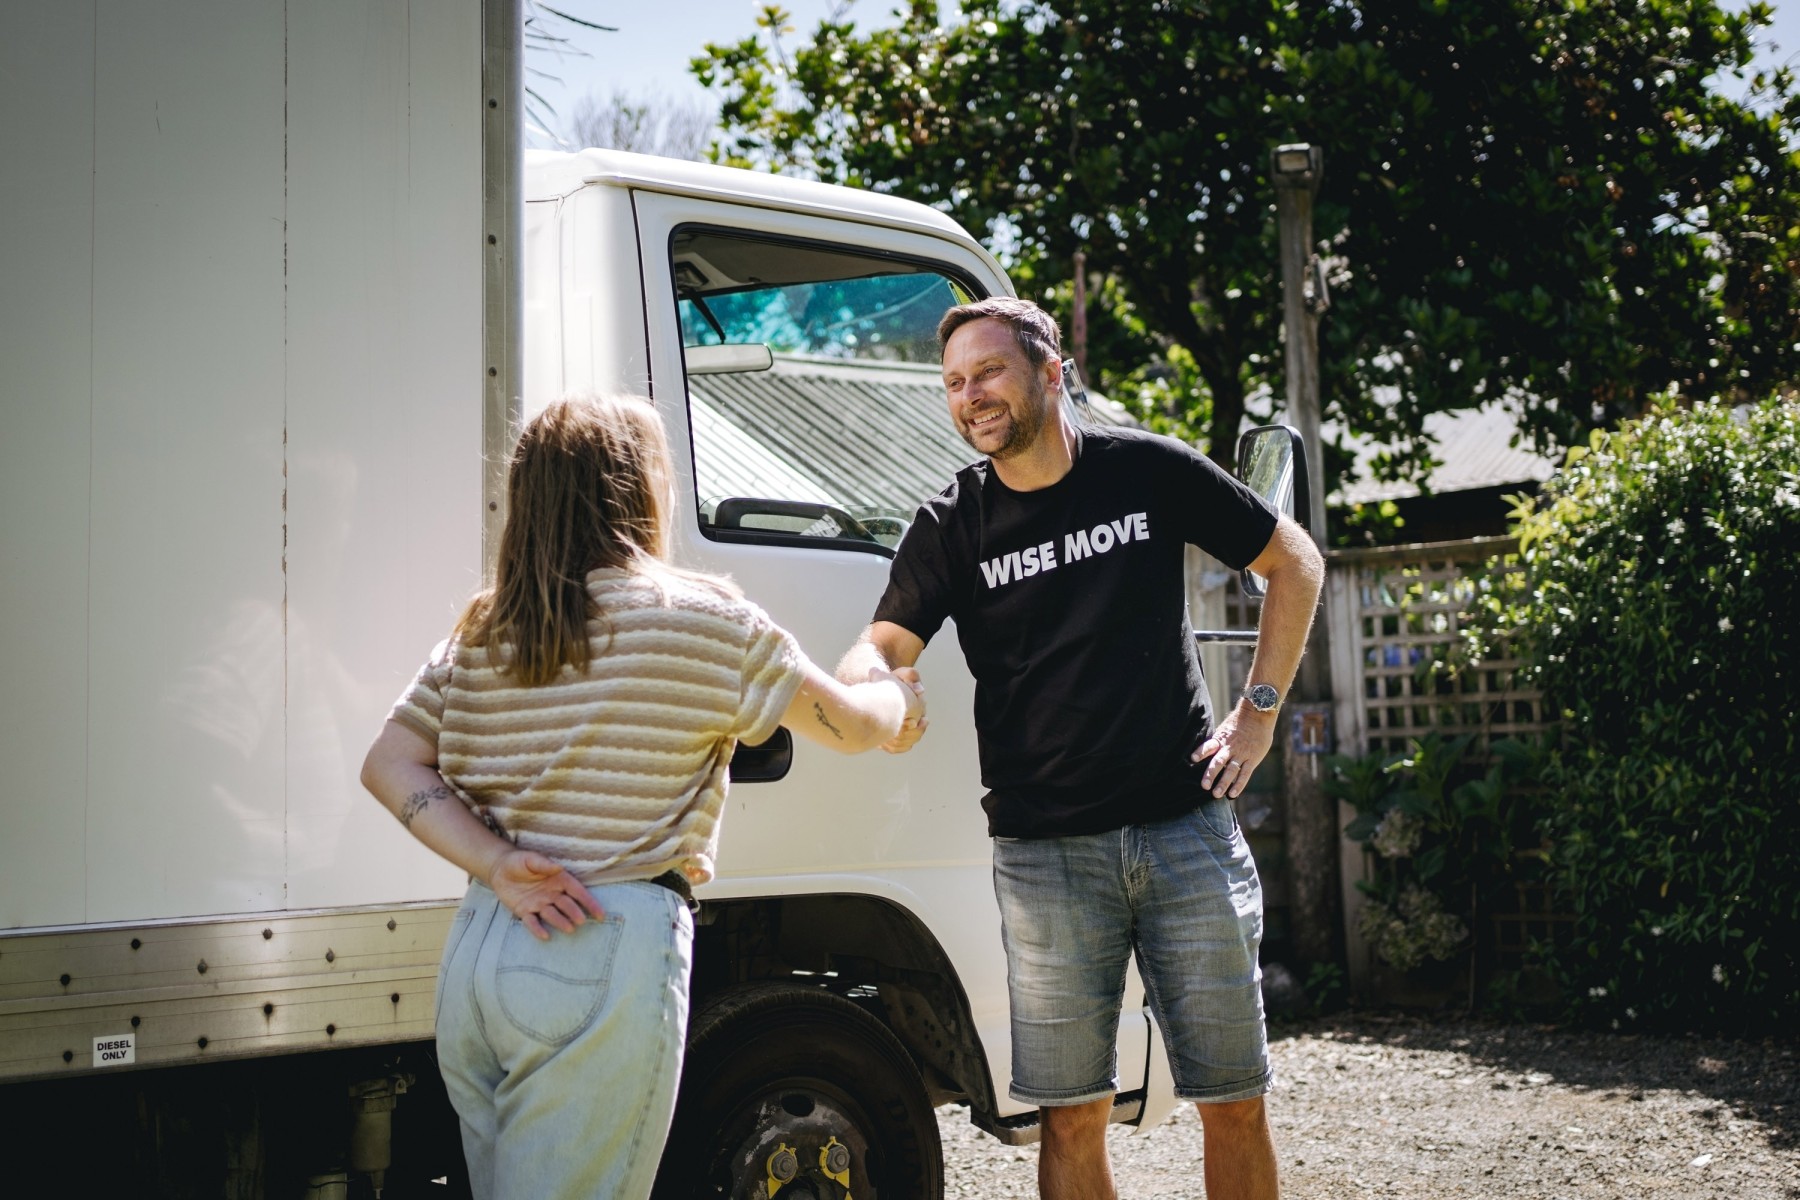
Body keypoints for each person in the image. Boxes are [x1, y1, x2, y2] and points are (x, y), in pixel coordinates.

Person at [360, 394, 923, 1200]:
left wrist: (497, 863)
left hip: (483, 949)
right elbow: (853, 726)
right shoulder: (699, 619)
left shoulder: (486, 630)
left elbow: (389, 764)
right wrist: (896, 694)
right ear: (641, 488)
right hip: (599, 938)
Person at [836, 298, 1324, 1200]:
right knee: (1068, 1115)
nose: (970, 395)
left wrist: (1258, 714)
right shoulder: (952, 524)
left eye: (989, 371)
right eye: (955, 382)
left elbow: (1293, 561)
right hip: (1046, 855)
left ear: (1051, 372)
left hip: (1186, 833)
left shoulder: (1146, 470)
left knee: (1234, 1100)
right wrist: (874, 688)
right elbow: (881, 644)